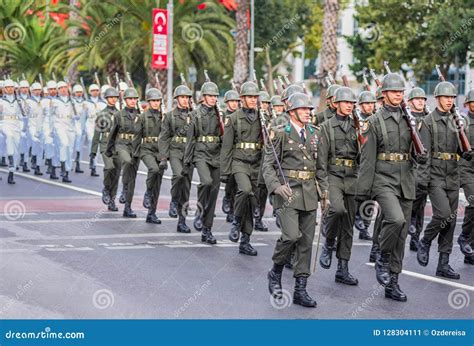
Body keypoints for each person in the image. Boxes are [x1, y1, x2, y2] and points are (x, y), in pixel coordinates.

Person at [358, 73, 425, 302]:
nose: (398, 95)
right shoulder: (374, 122)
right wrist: (363, 192)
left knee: (402, 231)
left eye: (400, 92)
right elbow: (367, 159)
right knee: (395, 220)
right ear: (384, 94)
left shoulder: (410, 119)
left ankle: (393, 282)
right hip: (383, 179)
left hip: (405, 179)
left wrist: (420, 155)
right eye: (394, 92)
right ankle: (382, 256)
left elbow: (416, 149)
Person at [264, 92, 326, 308]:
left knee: (306, 243)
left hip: (310, 192)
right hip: (288, 191)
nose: (309, 112)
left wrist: (324, 193)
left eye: (310, 109)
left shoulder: (315, 134)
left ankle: (301, 289)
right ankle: (276, 272)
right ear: (292, 112)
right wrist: (276, 187)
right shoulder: (281, 132)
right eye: (304, 109)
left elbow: (321, 168)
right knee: (290, 236)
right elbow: (268, 165)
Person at [417, 81, 467, 280]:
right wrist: (423, 180)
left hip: (453, 174)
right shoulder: (428, 122)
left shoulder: (458, 120)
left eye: (453, 98)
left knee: (451, 219)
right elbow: (424, 154)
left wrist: (466, 152)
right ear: (437, 98)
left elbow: (461, 148)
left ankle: (443, 264)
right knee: (442, 214)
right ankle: (425, 240)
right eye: (446, 97)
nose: (450, 101)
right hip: (435, 175)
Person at [317, 87, 360, 286]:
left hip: (352, 176)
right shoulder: (326, 126)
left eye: (352, 103)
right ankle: (328, 242)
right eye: (346, 102)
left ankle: (343, 268)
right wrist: (322, 184)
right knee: (336, 209)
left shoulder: (358, 126)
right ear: (336, 104)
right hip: (333, 175)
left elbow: (364, 155)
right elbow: (322, 158)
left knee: (349, 224)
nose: (349, 106)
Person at [220, 81, 263, 256]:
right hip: (240, 162)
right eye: (250, 97)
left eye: (255, 97)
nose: (253, 100)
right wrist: (225, 172)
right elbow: (226, 147)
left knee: (252, 203)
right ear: (242, 99)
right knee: (244, 191)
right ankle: (236, 221)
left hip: (257, 164)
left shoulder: (263, 117)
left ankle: (245, 240)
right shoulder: (233, 118)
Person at [183, 79, 222, 243]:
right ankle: (199, 211)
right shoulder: (194, 115)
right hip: (201, 153)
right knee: (206, 182)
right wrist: (186, 162)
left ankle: (207, 229)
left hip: (216, 155)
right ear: (203, 97)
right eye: (210, 96)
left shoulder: (220, 114)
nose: (213, 99)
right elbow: (191, 140)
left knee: (214, 192)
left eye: (215, 96)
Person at [158, 84, 194, 233]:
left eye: (187, 97)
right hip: (175, 151)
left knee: (186, 188)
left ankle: (182, 221)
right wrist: (163, 157)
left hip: (189, 153)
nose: (185, 100)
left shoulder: (194, 116)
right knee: (178, 175)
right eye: (182, 97)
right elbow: (164, 137)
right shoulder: (169, 116)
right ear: (176, 99)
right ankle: (173, 201)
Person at [132, 88, 166, 224]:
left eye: (158, 101)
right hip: (146, 149)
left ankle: (151, 213)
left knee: (158, 183)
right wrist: (135, 154)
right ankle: (147, 192)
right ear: (149, 102)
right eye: (153, 101)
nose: (156, 103)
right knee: (154, 169)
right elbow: (136, 137)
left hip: (160, 151)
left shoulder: (165, 117)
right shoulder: (142, 117)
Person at [105, 88, 141, 218]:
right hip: (122, 145)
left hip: (135, 147)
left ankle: (128, 208)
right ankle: (124, 189)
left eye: (134, 99)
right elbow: (113, 133)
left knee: (132, 178)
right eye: (129, 99)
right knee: (127, 161)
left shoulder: (140, 115)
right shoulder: (119, 115)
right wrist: (109, 149)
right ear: (125, 100)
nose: (132, 101)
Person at [91, 87, 122, 212]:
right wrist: (93, 150)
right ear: (107, 99)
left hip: (118, 146)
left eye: (115, 97)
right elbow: (97, 133)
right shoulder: (102, 114)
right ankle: (106, 189)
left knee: (116, 174)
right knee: (109, 167)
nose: (113, 99)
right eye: (111, 97)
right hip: (105, 145)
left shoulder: (121, 114)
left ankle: (112, 201)